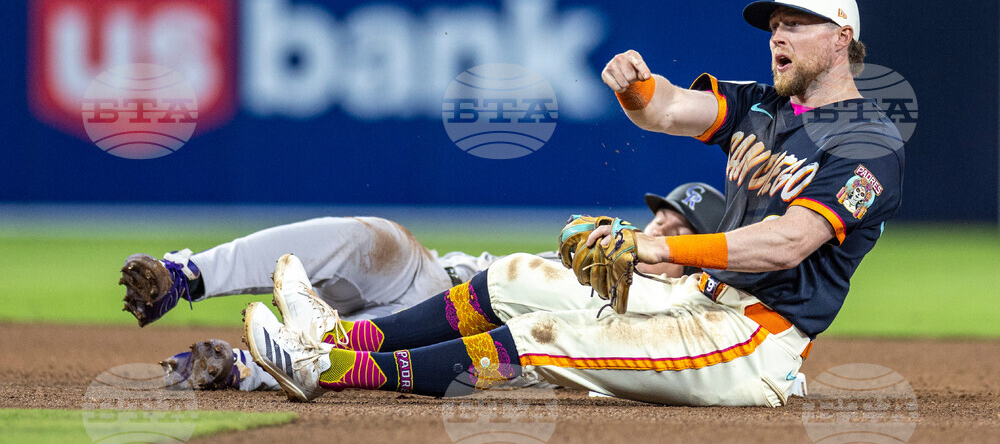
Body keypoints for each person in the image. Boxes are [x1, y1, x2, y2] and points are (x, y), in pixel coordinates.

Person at [243, 0, 903, 406]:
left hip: (754, 338)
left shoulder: (867, 144)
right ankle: (342, 334)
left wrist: (651, 251)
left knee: (546, 335)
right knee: (512, 277)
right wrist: (637, 89)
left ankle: (328, 366)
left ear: (842, 39)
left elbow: (788, 243)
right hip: (691, 298)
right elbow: (670, 110)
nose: (778, 34)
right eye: (775, 24)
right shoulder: (767, 107)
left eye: (797, 23)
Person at [121, 184, 724, 391]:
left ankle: (248, 369)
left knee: (364, 343)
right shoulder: (602, 254)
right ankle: (183, 276)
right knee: (375, 238)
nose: (659, 229)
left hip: (457, 348)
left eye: (679, 229)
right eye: (660, 219)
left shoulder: (677, 318)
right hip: (438, 285)